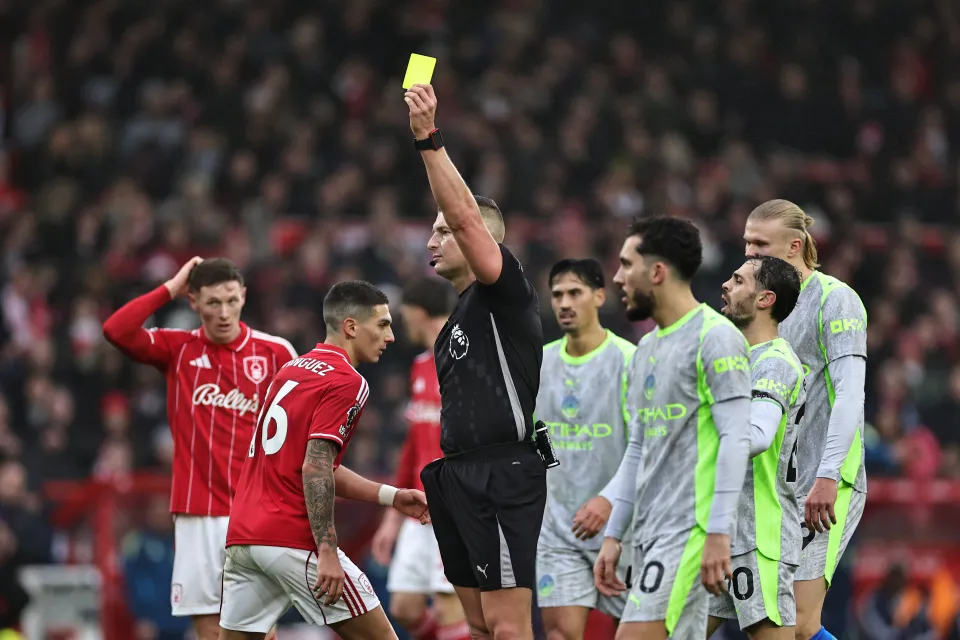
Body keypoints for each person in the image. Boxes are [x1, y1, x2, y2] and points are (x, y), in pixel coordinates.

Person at [405, 82, 546, 640]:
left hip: (503, 473)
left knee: (509, 629)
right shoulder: (455, 319)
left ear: (481, 240)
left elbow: (464, 215)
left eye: (444, 231)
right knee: (480, 626)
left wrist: (427, 138)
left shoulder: (503, 294)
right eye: (433, 231)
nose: (433, 239)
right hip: (457, 474)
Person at [218, 280, 430, 640]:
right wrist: (327, 551)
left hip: (244, 538)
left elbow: (314, 464)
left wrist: (390, 496)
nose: (390, 336)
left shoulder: (291, 370)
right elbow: (315, 468)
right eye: (382, 325)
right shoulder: (348, 381)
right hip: (292, 539)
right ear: (351, 327)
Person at [102, 257, 296, 640]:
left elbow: (301, 434)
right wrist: (169, 288)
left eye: (230, 301)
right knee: (209, 628)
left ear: (243, 296)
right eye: (212, 303)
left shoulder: (277, 353)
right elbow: (116, 330)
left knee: (260, 629)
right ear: (194, 302)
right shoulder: (178, 349)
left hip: (256, 512)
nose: (223, 313)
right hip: (197, 513)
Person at [593, 215, 752, 640]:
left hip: (690, 532)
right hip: (649, 533)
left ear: (657, 272)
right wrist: (614, 535)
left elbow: (737, 439)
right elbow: (637, 450)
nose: (617, 277)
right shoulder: (646, 349)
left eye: (627, 265)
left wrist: (719, 532)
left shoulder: (715, 338)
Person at [744, 200, 868, 640]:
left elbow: (851, 393)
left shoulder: (836, 301)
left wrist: (830, 475)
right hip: (777, 488)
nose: (750, 253)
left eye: (760, 244)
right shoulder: (761, 306)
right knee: (770, 621)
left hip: (826, 480)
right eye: (746, 243)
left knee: (798, 623)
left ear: (794, 246)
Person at [535, 258, 636, 638]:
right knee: (560, 634)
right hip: (560, 529)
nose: (564, 303)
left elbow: (645, 445)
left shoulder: (629, 360)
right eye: (557, 294)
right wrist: (552, 464)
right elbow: (536, 431)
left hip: (625, 527)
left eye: (574, 293)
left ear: (599, 296)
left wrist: (609, 499)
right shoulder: (540, 362)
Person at [707, 256, 806, 640]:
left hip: (758, 535)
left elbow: (759, 435)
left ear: (765, 299)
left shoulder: (776, 362)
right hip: (716, 531)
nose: (726, 286)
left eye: (738, 280)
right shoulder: (730, 359)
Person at [370, 277, 469, 640]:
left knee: (449, 607)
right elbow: (412, 448)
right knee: (404, 607)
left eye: (403, 315)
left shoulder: (465, 366)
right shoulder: (419, 366)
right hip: (418, 507)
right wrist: (391, 520)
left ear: (418, 313)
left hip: (455, 506)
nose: (399, 324)